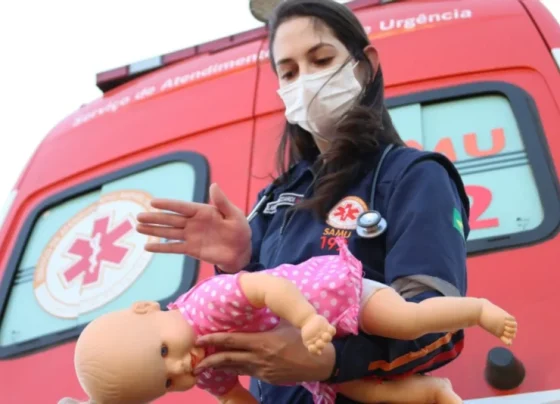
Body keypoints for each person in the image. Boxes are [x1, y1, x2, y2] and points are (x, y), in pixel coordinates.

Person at [136, 0, 472, 403]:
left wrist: (330, 362)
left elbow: (438, 325)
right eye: (290, 72)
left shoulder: (413, 175)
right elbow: (255, 318)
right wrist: (237, 264)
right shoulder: (277, 197)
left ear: (365, 66)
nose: (306, 81)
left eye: (321, 60)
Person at [71, 238, 515, 404]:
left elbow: (267, 287)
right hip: (313, 356)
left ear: (147, 308)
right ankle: (431, 393)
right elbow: (230, 395)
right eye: (168, 383)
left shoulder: (205, 305)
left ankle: (477, 310)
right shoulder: (203, 367)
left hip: (332, 296)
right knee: (363, 391)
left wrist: (305, 320)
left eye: (164, 351)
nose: (179, 367)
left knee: (405, 319)